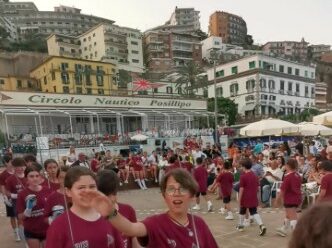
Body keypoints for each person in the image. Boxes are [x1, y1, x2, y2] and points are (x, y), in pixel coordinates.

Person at [83, 168, 219, 248]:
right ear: (164, 196)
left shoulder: (199, 224)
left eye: (182, 189)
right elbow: (130, 228)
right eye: (171, 189)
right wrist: (111, 213)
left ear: (191, 194)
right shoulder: (155, 223)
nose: (176, 193)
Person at [45, 166, 124, 248]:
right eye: (81, 188)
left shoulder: (110, 217)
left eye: (92, 187)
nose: (88, 191)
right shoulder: (58, 226)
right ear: (68, 192)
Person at [97, 169, 140, 248]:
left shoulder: (128, 210)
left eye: (113, 194)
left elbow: (135, 239)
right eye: (105, 195)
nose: (110, 200)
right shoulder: (92, 214)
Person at [16, 165, 51, 248]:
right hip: (31, 231)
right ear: (26, 178)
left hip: (47, 229)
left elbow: (52, 210)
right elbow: (20, 217)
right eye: (31, 176)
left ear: (40, 177)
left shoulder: (48, 190)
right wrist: (28, 210)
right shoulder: (22, 194)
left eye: (37, 176)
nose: (35, 178)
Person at [237, 158, 266, 236]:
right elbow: (258, 188)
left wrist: (239, 199)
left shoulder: (243, 176)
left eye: (241, 166)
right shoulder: (255, 175)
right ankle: (261, 225)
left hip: (245, 197)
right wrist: (258, 199)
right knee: (254, 211)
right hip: (253, 196)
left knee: (242, 211)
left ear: (243, 167)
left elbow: (241, 189)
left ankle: (240, 226)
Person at [276, 158, 302, 237]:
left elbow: (282, 190)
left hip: (290, 199)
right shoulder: (298, 175)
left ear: (287, 166)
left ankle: (297, 234)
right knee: (289, 214)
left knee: (292, 216)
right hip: (297, 197)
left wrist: (278, 199)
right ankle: (283, 228)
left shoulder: (288, 177)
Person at [5, 157, 27, 241]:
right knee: (21, 220)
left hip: (29, 202)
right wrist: (17, 196)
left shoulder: (29, 175)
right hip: (17, 203)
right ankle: (24, 239)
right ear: (14, 167)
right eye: (19, 166)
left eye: (23, 166)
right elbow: (7, 192)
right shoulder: (10, 179)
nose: (22, 168)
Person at [0, 154, 19, 241]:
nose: (12, 163)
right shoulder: (3, 175)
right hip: (10, 198)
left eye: (12, 161)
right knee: (12, 216)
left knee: (20, 215)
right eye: (10, 161)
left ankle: (21, 231)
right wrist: (5, 197)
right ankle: (16, 232)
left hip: (19, 197)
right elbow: (2, 186)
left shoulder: (17, 172)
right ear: (5, 163)